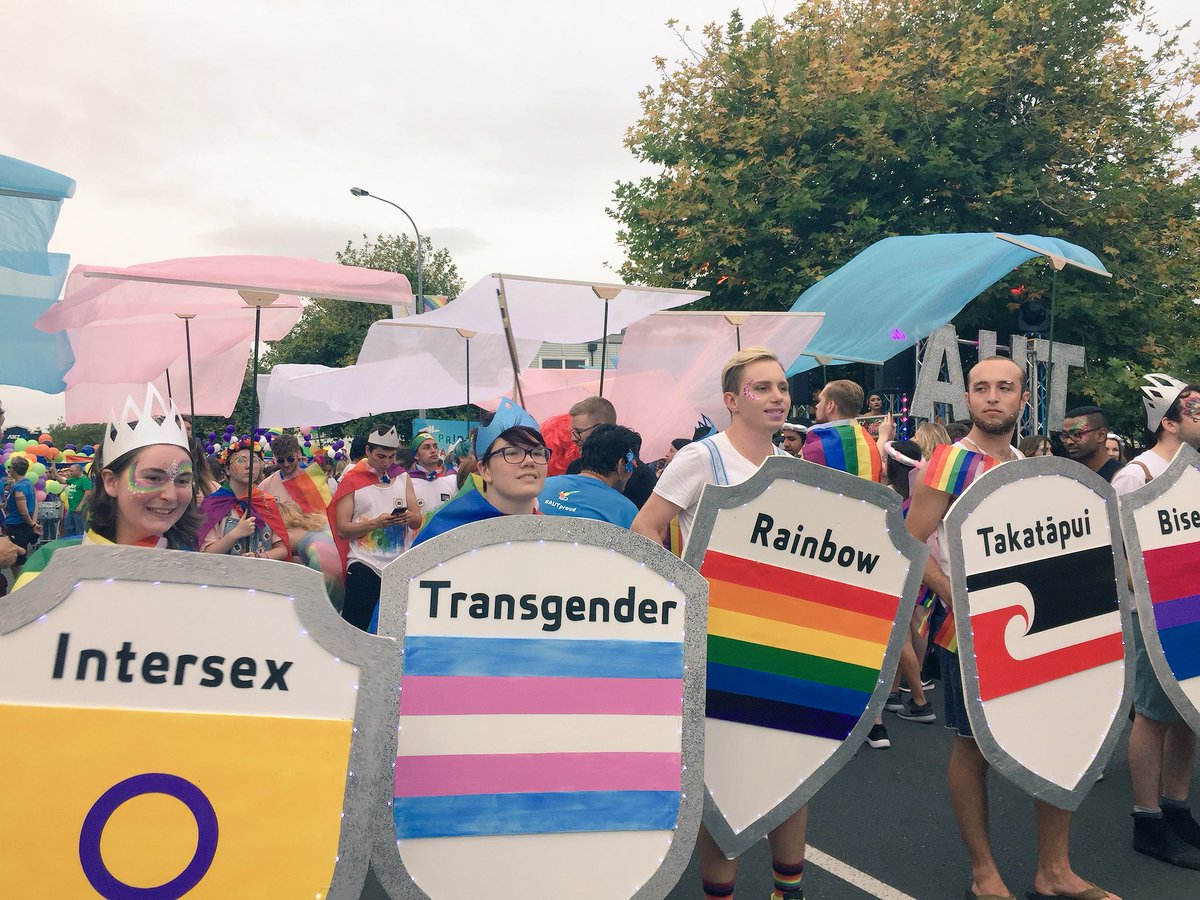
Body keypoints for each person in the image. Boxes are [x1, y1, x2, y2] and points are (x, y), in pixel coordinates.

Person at [906, 356, 1117, 900]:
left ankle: (1054, 871)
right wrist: (954, 594)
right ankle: (984, 873)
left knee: (1053, 738)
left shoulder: (1027, 463)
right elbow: (908, 544)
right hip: (967, 634)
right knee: (973, 747)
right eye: (981, 388)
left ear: (1024, 399)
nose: (992, 397)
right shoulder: (947, 464)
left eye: (1005, 388)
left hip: (1040, 627)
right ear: (967, 399)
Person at [632, 347, 807, 900]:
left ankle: (789, 888)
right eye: (763, 387)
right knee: (724, 776)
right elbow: (645, 531)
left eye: (782, 386)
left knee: (797, 762)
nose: (777, 396)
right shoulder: (701, 460)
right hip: (717, 644)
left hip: (785, 640)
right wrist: (684, 600)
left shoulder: (794, 469)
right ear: (733, 401)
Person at [1112, 374, 1200, 869]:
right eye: (1194, 409)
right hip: (1153, 614)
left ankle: (1177, 807)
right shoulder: (1137, 474)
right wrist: (1149, 595)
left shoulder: (1195, 471)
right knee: (1152, 713)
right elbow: (1115, 549)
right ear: (1167, 420)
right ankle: (1147, 820)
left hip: (1193, 609)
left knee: (1189, 711)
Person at [13, 384, 199, 591]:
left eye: (182, 480)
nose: (170, 495)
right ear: (111, 482)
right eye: (154, 478)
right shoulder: (50, 564)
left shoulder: (197, 573)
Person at [414, 400, 548, 546]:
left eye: (537, 452)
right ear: (484, 469)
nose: (529, 460)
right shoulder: (442, 535)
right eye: (512, 452)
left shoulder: (555, 537)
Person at [328, 424, 422, 630]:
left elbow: (417, 520)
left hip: (398, 564)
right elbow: (342, 529)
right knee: (356, 629)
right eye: (381, 456)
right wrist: (375, 523)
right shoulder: (352, 480)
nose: (386, 462)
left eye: (391, 456)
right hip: (364, 563)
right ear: (368, 451)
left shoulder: (402, 476)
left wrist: (408, 517)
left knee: (395, 629)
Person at [199, 438, 290, 560]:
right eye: (241, 460)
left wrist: (259, 557)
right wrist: (235, 534)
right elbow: (205, 555)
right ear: (227, 469)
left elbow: (282, 549)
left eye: (255, 460)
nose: (249, 466)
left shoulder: (266, 502)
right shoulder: (212, 504)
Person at [539, 424, 639, 527]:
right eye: (633, 465)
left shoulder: (542, 487)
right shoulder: (625, 511)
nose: (632, 472)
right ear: (621, 465)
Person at [567, 396, 657, 508]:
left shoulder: (643, 477)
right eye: (572, 431)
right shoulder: (575, 466)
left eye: (578, 431)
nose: (573, 438)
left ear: (601, 428)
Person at [259, 432, 332, 514]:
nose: (286, 464)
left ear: (298, 453)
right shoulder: (265, 486)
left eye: (290, 459)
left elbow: (326, 514)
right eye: (281, 460)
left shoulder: (314, 479)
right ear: (275, 457)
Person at [1061, 405, 1123, 482]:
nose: (1069, 442)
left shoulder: (1120, 478)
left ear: (1101, 435)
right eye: (1064, 436)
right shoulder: (1068, 476)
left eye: (1077, 434)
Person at [3, 456, 41, 572]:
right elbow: (35, 503)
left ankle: (20, 586)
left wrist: (32, 525)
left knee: (16, 560)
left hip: (17, 526)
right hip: (23, 525)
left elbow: (23, 511)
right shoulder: (28, 483)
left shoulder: (20, 487)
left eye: (10, 468)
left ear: (13, 469)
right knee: (18, 558)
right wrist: (33, 523)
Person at [62, 463, 92, 537]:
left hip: (80, 509)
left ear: (78, 471)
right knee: (68, 526)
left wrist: (80, 505)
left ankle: (80, 543)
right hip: (71, 509)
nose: (70, 472)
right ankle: (70, 542)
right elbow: (62, 481)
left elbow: (88, 493)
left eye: (72, 471)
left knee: (80, 529)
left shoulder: (84, 480)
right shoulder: (74, 479)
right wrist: (54, 472)